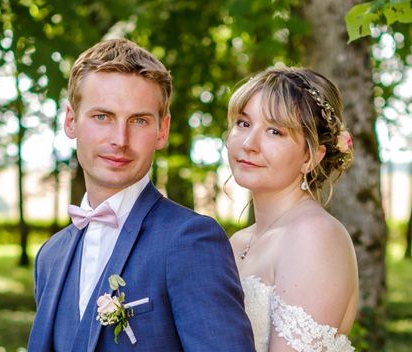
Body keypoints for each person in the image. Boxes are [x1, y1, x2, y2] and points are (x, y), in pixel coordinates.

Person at [28, 38, 255, 351]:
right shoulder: (49, 256)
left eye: (138, 120)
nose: (120, 139)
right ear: (70, 121)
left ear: (162, 131)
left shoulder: (191, 240)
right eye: (102, 117)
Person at [227, 66, 359, 352]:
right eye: (243, 123)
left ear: (310, 156)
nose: (249, 144)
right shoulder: (237, 243)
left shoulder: (314, 236)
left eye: (275, 131)